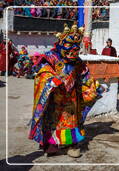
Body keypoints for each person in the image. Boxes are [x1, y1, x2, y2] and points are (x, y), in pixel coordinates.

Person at [29, 23, 103, 158]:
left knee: (71, 121)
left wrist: (93, 85)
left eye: (76, 48)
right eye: (70, 47)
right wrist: (51, 79)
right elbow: (43, 72)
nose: (73, 51)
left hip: (71, 98)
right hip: (54, 96)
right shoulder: (52, 56)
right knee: (53, 121)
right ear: (61, 44)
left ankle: (70, 145)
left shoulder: (77, 61)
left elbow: (84, 74)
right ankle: (51, 145)